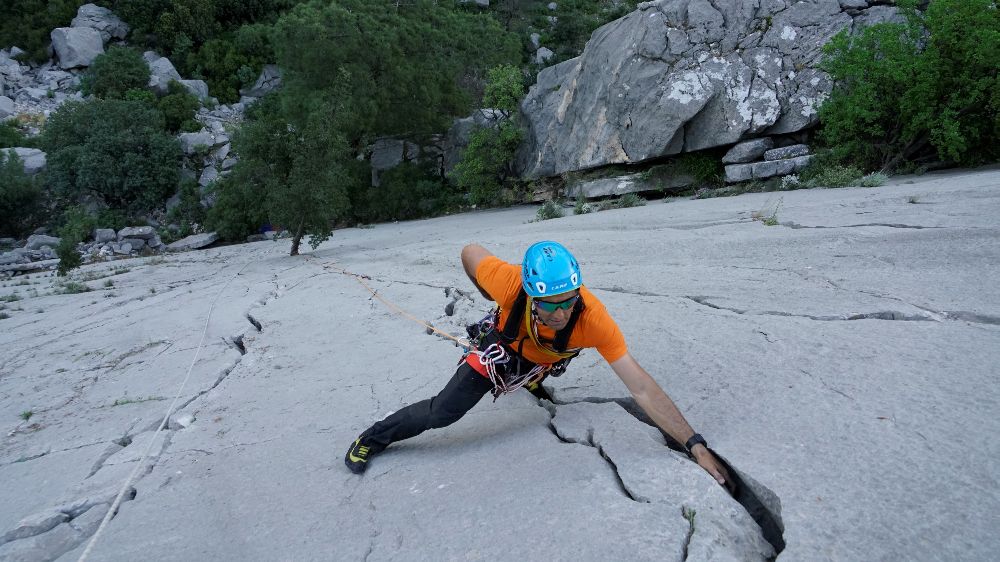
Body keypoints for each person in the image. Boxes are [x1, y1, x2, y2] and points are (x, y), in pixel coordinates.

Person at [345, 241, 732, 489]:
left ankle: (532, 378)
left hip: (542, 360)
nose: (562, 312)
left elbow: (641, 386)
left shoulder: (593, 319)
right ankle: (372, 438)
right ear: (531, 295)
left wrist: (695, 445)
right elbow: (469, 251)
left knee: (546, 358)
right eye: (551, 305)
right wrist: (490, 295)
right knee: (443, 412)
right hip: (499, 349)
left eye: (569, 300)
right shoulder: (509, 283)